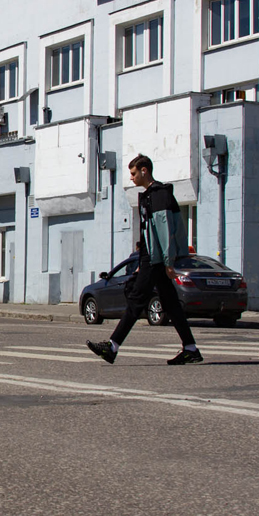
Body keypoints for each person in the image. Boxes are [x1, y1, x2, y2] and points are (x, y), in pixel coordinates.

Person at [87, 154, 203, 366]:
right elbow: (148, 233)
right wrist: (142, 262)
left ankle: (112, 346)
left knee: (136, 300)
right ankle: (190, 348)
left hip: (156, 259)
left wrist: (168, 262)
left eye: (133, 173)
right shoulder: (150, 195)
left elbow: (164, 230)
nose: (131, 178)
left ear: (144, 170)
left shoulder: (159, 194)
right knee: (170, 304)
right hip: (151, 258)